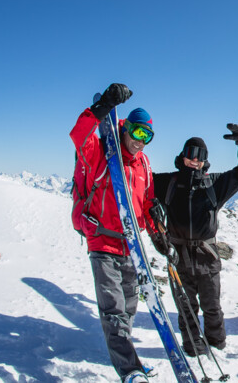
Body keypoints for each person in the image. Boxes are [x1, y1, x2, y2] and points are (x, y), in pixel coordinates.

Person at [69, 83, 162, 382]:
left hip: (131, 246)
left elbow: (145, 203)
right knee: (114, 311)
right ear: (126, 129)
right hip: (102, 242)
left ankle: (125, 355)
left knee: (129, 310)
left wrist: (157, 232)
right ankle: (130, 370)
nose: (140, 142)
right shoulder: (102, 152)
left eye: (147, 137)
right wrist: (103, 106)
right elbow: (79, 136)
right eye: (137, 133)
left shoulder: (143, 164)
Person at [152, 126, 238, 356]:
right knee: (186, 308)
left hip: (207, 256)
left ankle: (216, 347)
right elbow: (138, 179)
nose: (195, 159)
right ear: (183, 155)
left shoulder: (214, 184)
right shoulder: (167, 182)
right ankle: (192, 348)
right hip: (178, 257)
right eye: (191, 153)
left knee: (212, 307)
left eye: (201, 156)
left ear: (205, 160)